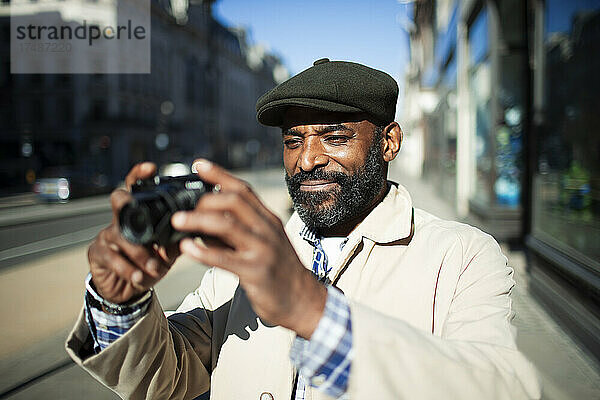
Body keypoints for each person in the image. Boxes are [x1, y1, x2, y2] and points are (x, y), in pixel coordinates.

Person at [66, 59, 541, 400]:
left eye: (335, 136)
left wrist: (311, 308)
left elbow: (504, 388)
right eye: (294, 140)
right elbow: (169, 379)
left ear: (389, 142)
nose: (308, 159)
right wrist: (120, 304)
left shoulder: (462, 256)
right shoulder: (243, 260)